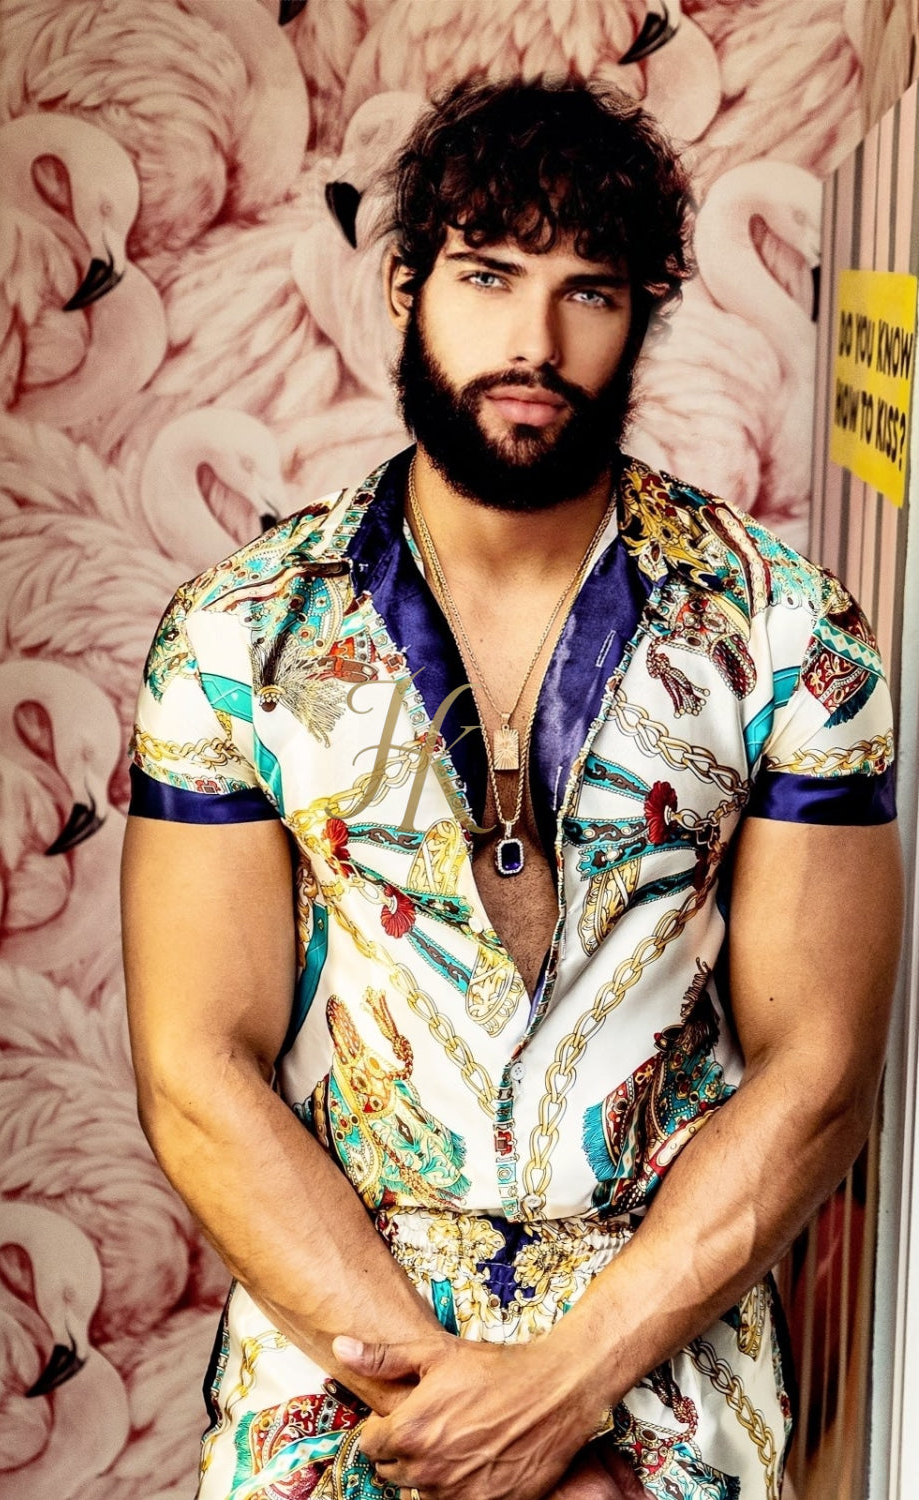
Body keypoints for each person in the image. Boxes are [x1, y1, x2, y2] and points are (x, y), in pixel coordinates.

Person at [121, 77, 903, 1500]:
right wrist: (449, 1417)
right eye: (487, 276)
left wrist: (569, 1389)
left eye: (587, 291)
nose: (535, 342)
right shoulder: (240, 634)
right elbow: (195, 1073)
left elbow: (822, 1074)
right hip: (340, 1337)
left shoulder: (789, 634)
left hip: (661, 1336)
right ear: (407, 288)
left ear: (643, 312)